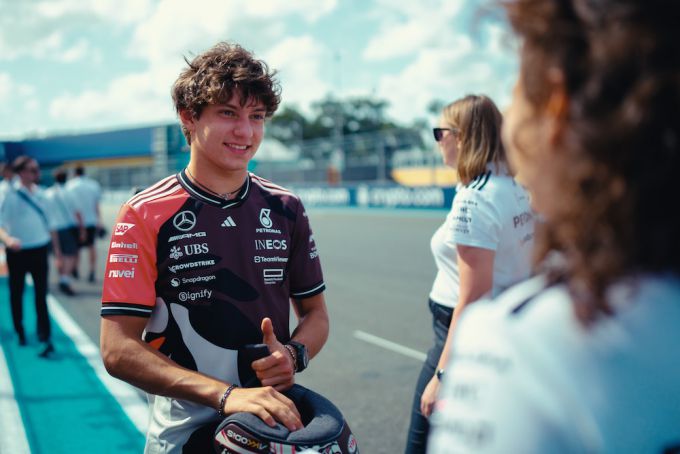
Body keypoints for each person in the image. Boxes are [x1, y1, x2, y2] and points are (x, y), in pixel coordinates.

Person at [428, 0, 680, 452]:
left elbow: (474, 293)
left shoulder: (515, 349)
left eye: (516, 93)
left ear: (556, 105)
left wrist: (443, 373)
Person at [100, 42, 329, 453]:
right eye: (228, 113)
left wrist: (294, 355)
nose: (246, 132)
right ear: (189, 116)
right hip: (182, 434)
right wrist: (227, 396)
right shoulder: (144, 213)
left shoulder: (287, 207)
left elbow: (316, 315)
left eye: (256, 116)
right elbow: (117, 349)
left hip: (269, 425)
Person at [405, 95, 535, 453]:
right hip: (498, 327)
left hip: (459, 333)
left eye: (440, 132)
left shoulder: (475, 196)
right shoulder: (511, 185)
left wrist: (443, 375)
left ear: (461, 137)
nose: (437, 141)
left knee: (420, 442)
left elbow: (474, 296)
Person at [0, 156, 59, 357]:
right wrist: (8, 239)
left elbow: (51, 226)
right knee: (16, 293)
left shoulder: (42, 194)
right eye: (33, 170)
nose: (37, 173)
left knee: (41, 294)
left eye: (37, 169)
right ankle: (20, 331)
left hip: (40, 249)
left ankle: (45, 337)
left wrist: (58, 253)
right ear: (22, 172)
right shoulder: (8, 194)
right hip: (17, 251)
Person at [44, 168, 84, 296]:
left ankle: (61, 278)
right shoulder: (70, 192)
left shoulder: (47, 193)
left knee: (58, 254)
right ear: (66, 178)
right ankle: (64, 279)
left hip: (51, 228)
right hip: (66, 228)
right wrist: (82, 229)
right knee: (70, 255)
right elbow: (78, 212)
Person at [65, 165, 102, 282]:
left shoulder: (69, 185)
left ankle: (75, 269)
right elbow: (96, 205)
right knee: (92, 246)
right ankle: (92, 271)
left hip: (75, 221)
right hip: (91, 220)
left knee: (76, 247)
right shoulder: (93, 185)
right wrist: (99, 220)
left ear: (75, 173)